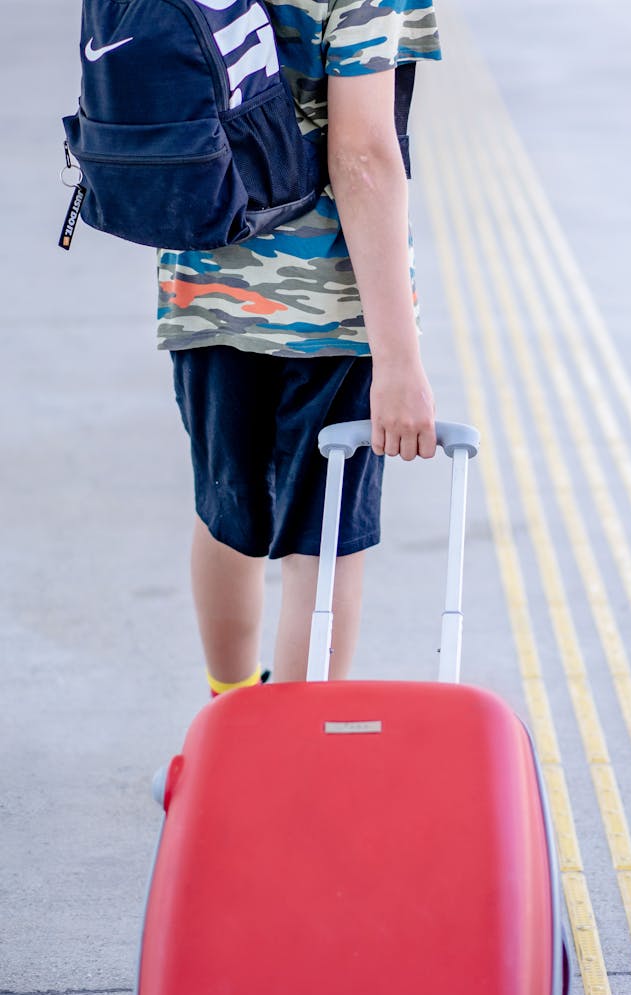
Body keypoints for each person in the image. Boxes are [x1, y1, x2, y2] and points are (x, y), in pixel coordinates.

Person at [158, 0, 441, 694]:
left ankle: (227, 727)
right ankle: (287, 764)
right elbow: (363, 154)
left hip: (205, 276)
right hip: (331, 305)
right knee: (324, 542)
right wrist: (400, 363)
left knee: (227, 511)